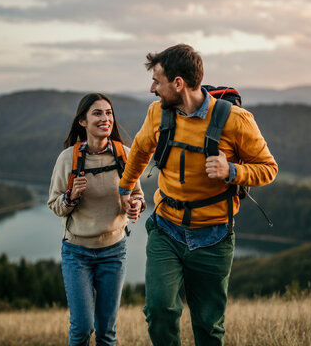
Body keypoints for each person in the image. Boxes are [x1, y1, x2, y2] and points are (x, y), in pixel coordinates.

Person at [119, 44, 278, 346]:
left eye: (157, 81)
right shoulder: (157, 114)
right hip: (166, 229)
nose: (152, 89)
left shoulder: (236, 120)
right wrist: (125, 188)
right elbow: (140, 150)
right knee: (159, 310)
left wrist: (232, 171)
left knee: (208, 326)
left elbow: (269, 168)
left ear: (178, 84)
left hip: (214, 238)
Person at [48, 92, 145, 346]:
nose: (106, 118)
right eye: (98, 113)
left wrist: (135, 205)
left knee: (107, 332)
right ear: (82, 121)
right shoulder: (68, 158)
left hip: (114, 251)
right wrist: (71, 196)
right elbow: (55, 205)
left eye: (109, 113)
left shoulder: (125, 154)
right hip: (76, 252)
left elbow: (138, 196)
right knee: (82, 328)